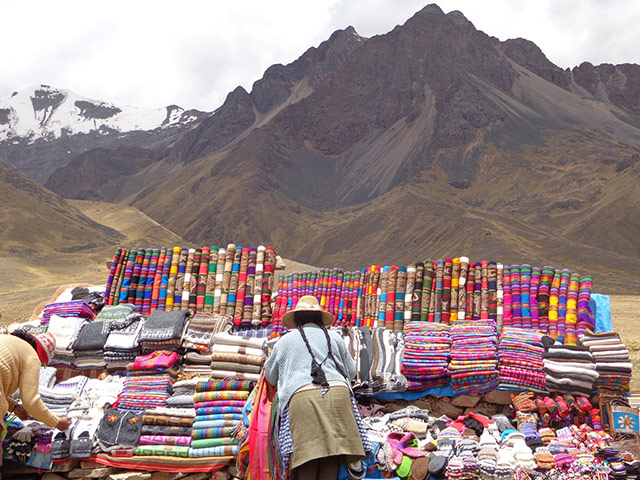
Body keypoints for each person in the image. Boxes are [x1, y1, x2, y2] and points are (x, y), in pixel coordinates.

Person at [264, 295, 366, 480]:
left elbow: (270, 377)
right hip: (337, 395)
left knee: (307, 455)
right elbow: (351, 372)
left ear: (296, 319)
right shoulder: (334, 337)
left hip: (303, 398)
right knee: (332, 452)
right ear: (319, 317)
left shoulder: (285, 341)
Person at [1, 330, 72, 439]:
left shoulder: (8, 342)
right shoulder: (32, 356)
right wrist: (57, 422)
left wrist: (13, 406)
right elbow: (31, 401)